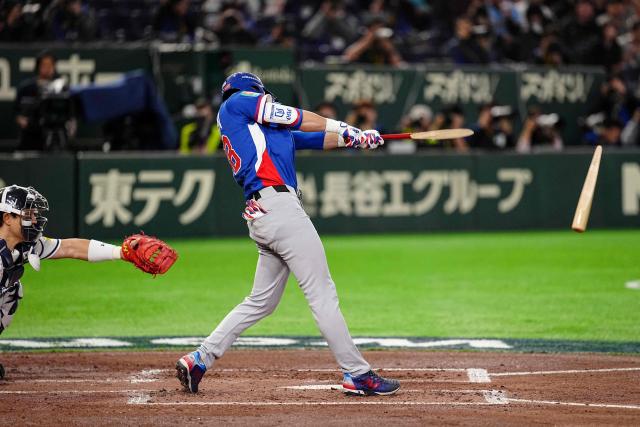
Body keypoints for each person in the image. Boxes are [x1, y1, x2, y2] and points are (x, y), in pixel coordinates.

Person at [176, 72, 400, 397]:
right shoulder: (236, 104)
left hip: (267, 214)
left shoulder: (265, 132)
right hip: (279, 209)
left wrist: (357, 137)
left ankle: (200, 359)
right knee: (322, 293)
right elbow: (299, 117)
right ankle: (357, 374)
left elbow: (314, 135)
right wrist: (346, 126)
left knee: (260, 302)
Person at [0, 185, 175, 379]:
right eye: (27, 214)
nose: (33, 220)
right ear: (7, 218)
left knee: (12, 291)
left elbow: (71, 248)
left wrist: (121, 253)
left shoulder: (27, 244)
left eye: (34, 214)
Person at [14, 51, 75, 151]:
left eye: (50, 65)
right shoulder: (26, 88)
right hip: (31, 135)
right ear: (38, 66)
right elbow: (17, 112)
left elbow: (71, 115)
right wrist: (23, 122)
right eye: (44, 65)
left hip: (56, 134)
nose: (47, 68)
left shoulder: (62, 87)